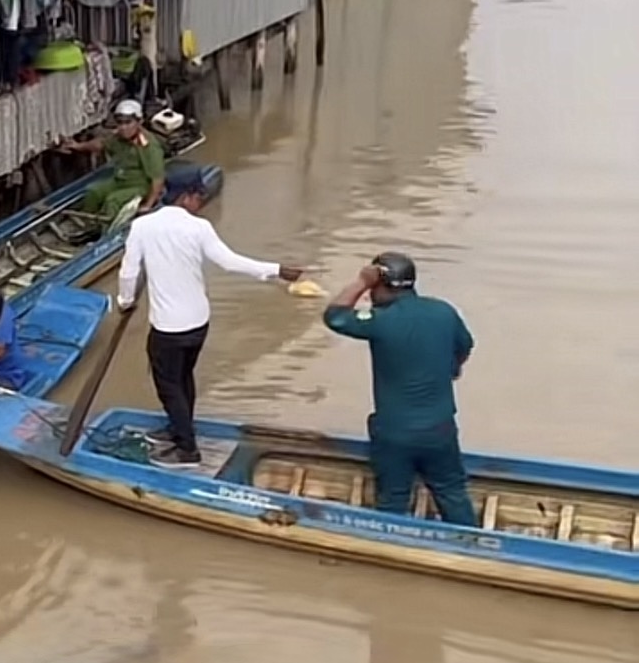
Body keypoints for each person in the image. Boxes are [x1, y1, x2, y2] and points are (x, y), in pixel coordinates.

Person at [117, 182, 303, 468]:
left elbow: (129, 271)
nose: (201, 203)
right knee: (183, 378)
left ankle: (187, 450)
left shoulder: (143, 226)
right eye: (199, 197)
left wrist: (125, 301)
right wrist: (275, 270)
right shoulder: (199, 228)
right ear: (184, 196)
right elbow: (230, 262)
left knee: (169, 386)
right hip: (197, 323)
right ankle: (178, 428)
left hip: (168, 326)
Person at [322, 253, 477, 526]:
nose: (370, 297)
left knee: (393, 499)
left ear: (382, 285)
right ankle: (473, 544)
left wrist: (360, 281)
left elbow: (335, 316)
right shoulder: (444, 311)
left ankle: (390, 546)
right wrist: (453, 370)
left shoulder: (380, 321)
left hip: (395, 433)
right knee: (452, 492)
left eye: (373, 289)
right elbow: (465, 347)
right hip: (441, 430)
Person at [61, 99, 165, 222]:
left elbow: (157, 178)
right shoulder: (118, 137)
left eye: (128, 123)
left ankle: (105, 231)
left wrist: (148, 205)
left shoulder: (147, 145)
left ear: (139, 122)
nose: (123, 127)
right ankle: (87, 223)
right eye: (120, 123)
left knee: (113, 201)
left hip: (140, 187)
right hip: (120, 180)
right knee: (93, 192)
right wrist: (78, 146)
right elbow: (100, 144)